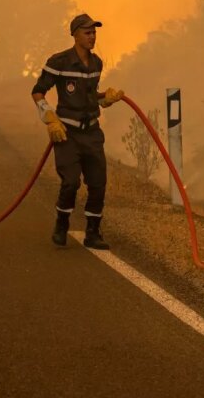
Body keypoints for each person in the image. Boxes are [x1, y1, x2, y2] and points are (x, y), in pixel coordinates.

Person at [31, 13, 124, 250]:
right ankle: (62, 224)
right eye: (87, 32)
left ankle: (92, 232)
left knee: (98, 183)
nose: (92, 37)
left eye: (94, 32)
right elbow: (38, 91)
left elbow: (90, 96)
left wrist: (106, 98)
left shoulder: (96, 63)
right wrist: (50, 118)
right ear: (75, 35)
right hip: (67, 133)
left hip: (92, 132)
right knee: (71, 182)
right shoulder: (59, 62)